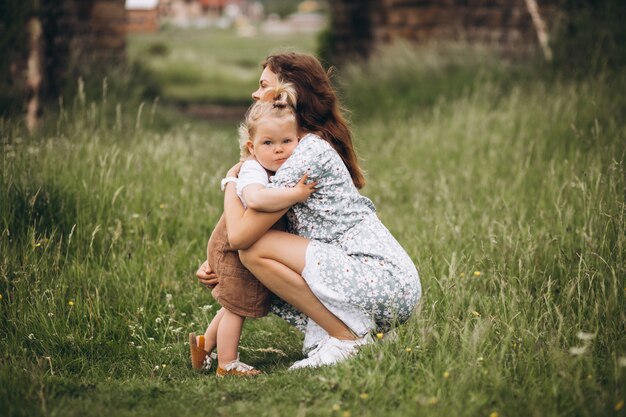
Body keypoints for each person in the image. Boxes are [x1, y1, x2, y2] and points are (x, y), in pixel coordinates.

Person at [197, 52, 422, 369]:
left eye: (263, 86)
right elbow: (254, 219)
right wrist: (214, 260)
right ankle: (349, 334)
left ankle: (347, 338)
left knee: (253, 252)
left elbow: (240, 235)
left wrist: (230, 181)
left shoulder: (305, 153)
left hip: (379, 277)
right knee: (257, 254)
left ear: (287, 96)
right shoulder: (289, 146)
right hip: (369, 275)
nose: (255, 94)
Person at [189, 83, 316, 377]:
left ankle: (204, 343)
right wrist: (296, 195)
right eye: (268, 143)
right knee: (237, 307)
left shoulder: (280, 165)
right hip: (234, 246)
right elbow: (257, 199)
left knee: (237, 299)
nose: (279, 149)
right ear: (252, 147)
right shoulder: (252, 170)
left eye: (287, 141)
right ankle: (227, 363)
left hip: (244, 243)